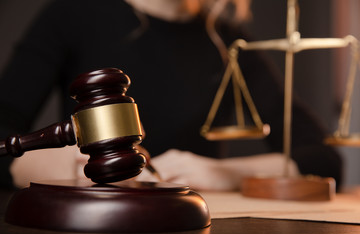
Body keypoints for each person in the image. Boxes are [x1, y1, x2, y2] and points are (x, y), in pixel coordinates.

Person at [0, 0, 342, 191]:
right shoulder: (71, 15)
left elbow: (323, 160)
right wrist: (50, 165)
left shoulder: (230, 42)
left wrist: (226, 173)